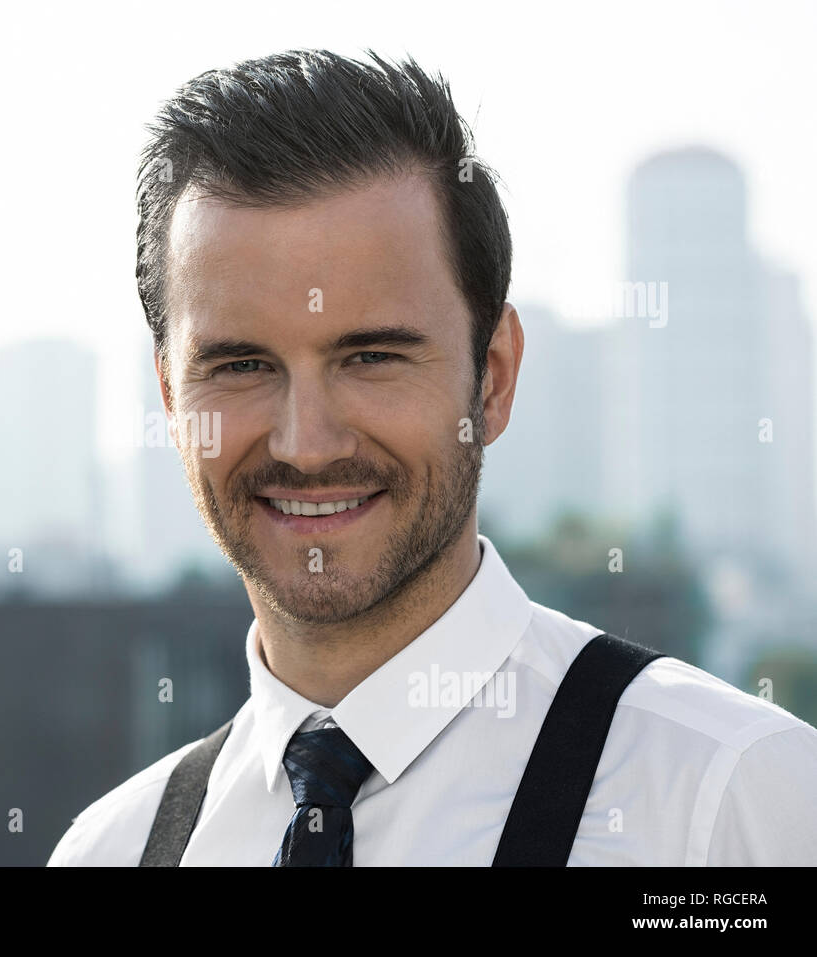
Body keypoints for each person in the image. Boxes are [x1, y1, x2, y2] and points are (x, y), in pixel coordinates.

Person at [47, 48, 817, 866]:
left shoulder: (729, 802)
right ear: (171, 399)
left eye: (371, 356)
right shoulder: (113, 850)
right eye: (241, 365)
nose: (306, 443)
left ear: (493, 377)